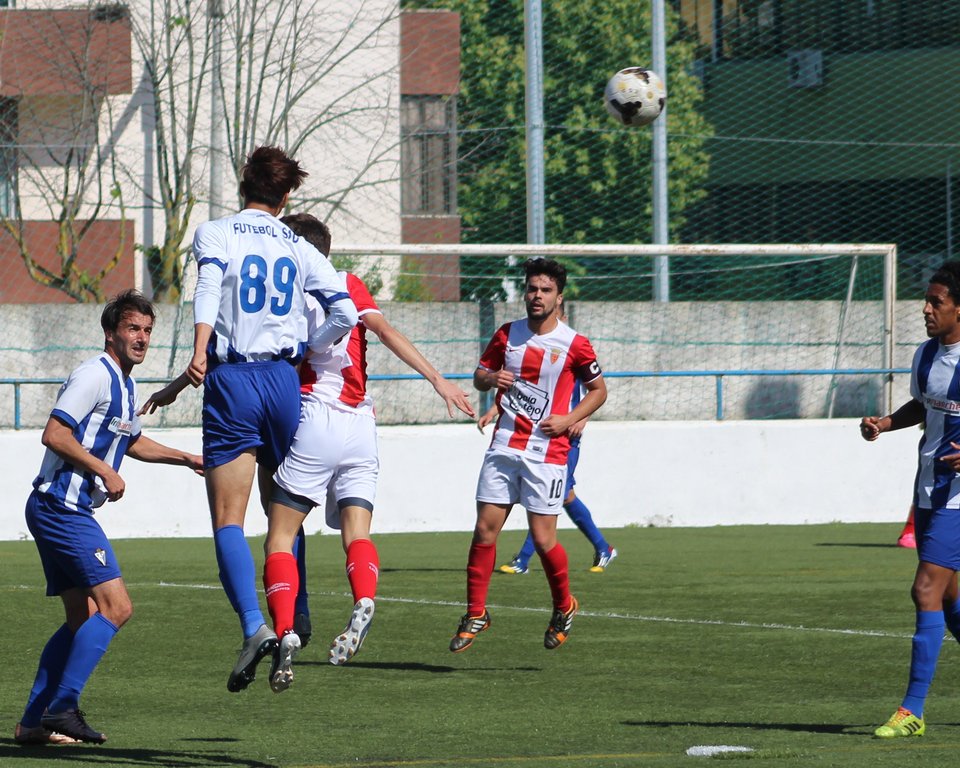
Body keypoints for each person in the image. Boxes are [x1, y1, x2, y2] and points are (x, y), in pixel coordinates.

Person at [143, 147, 358, 693]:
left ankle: (253, 626)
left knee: (228, 518)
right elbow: (346, 312)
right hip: (284, 383)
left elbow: (208, 288)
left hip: (234, 381)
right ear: (285, 197)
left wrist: (198, 349)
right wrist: (307, 346)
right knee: (283, 513)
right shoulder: (298, 244)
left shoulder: (216, 232)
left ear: (244, 185)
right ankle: (295, 618)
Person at [260, 213, 475, 691]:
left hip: (315, 417)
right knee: (357, 531)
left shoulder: (285, 294)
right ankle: (364, 597)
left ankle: (285, 629)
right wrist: (438, 380)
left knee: (280, 537)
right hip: (361, 425)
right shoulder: (349, 284)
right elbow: (386, 332)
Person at [15, 290, 203, 745]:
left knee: (82, 619)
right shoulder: (94, 375)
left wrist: (186, 458)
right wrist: (103, 469)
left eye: (147, 330)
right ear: (110, 333)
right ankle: (62, 708)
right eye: (133, 328)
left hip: (59, 509)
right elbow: (54, 434)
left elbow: (131, 441)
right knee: (117, 608)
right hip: (62, 508)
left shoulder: (125, 383)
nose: (142, 338)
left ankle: (32, 723)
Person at [450, 258, 607, 653]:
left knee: (542, 538)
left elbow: (599, 391)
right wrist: (491, 378)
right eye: (532, 289)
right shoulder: (507, 334)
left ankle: (564, 605)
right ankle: (475, 613)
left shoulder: (575, 343)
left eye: (545, 290)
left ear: (559, 297)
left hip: (548, 452)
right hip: (505, 445)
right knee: (484, 530)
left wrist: (570, 418)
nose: (537, 296)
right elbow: (480, 376)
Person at [860, 260, 960, 739]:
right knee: (951, 596)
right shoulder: (925, 355)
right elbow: (922, 405)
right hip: (928, 491)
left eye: (936, 302)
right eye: (926, 300)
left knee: (925, 590)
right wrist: (884, 423)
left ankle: (912, 710)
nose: (925, 309)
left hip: (958, 500)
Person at [488, 361, 616, 575]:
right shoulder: (538, 355)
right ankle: (604, 548)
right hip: (540, 435)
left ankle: (522, 559)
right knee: (565, 496)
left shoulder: (573, 351)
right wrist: (495, 409)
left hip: (565, 436)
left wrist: (581, 419)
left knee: (550, 496)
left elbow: (596, 390)